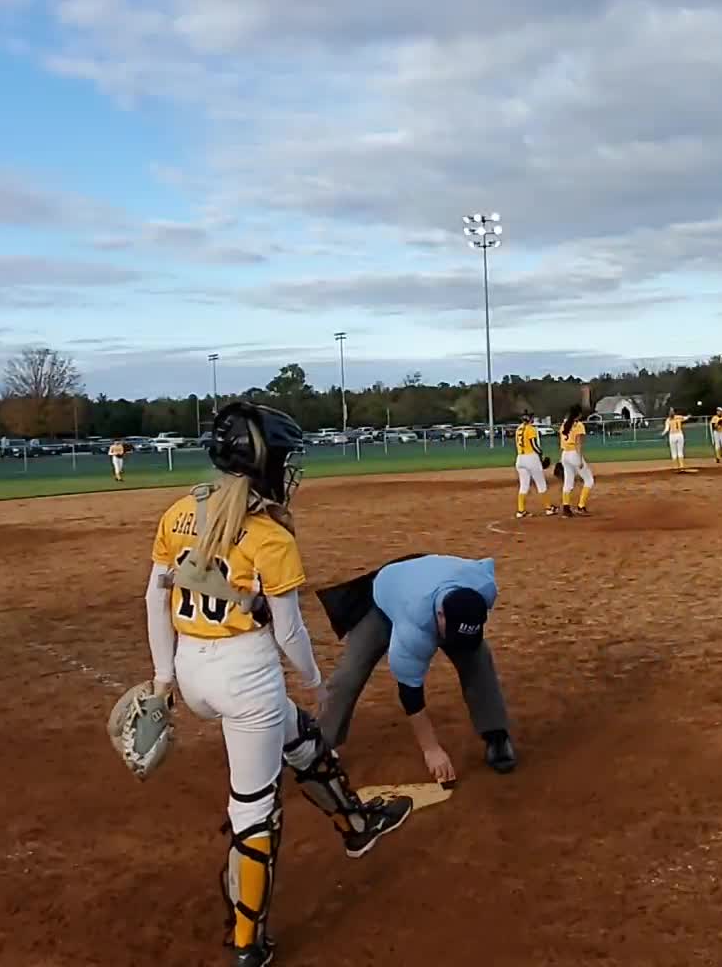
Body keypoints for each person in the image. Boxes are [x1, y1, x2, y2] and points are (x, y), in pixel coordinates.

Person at [141, 403, 411, 967]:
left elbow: (154, 598)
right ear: (263, 465)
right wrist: (315, 679)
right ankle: (248, 945)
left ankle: (357, 824)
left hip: (192, 667)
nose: (289, 470)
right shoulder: (267, 534)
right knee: (254, 808)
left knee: (299, 734)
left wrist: (165, 677)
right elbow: (287, 629)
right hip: (245, 679)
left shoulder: (178, 513)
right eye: (284, 458)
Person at [314, 554, 515, 783]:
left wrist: (462, 637)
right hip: (386, 596)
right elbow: (410, 692)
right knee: (349, 675)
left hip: (426, 578)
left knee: (478, 659)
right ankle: (319, 745)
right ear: (440, 616)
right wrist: (431, 750)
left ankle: (496, 734)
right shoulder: (415, 627)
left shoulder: (484, 588)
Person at [551, 405, 594, 516]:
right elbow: (578, 443)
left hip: (565, 454)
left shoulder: (564, 424)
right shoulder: (578, 425)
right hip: (574, 454)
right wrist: (579, 459)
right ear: (578, 414)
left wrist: (561, 459)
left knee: (568, 482)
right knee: (589, 480)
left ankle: (566, 508)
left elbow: (561, 444)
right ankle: (581, 506)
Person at [511, 412, 550, 519]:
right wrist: (541, 454)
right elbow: (534, 445)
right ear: (530, 419)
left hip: (520, 458)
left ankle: (520, 510)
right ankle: (548, 508)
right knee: (541, 483)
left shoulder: (518, 429)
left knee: (524, 486)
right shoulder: (531, 429)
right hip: (531, 458)